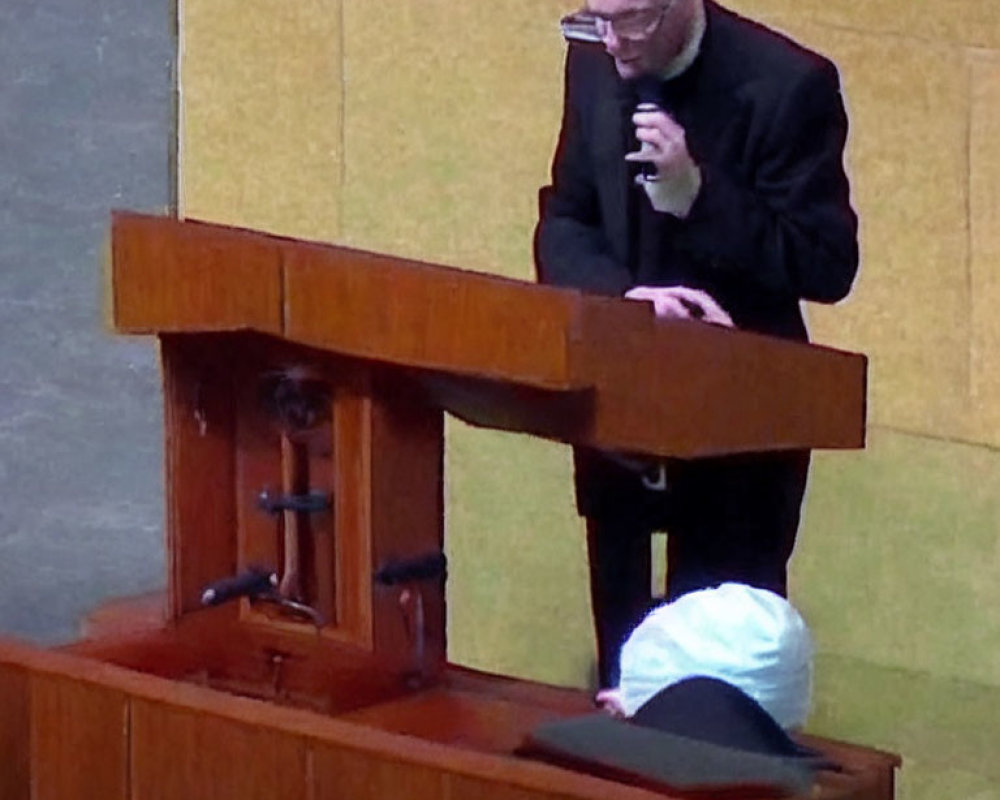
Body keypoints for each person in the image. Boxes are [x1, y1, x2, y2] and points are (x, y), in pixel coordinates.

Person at [534, 0, 858, 689]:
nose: (615, 42)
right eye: (595, 19)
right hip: (620, 416)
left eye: (633, 22)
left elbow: (828, 264)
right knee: (622, 671)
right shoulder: (594, 59)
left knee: (713, 680)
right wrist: (623, 299)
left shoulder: (786, 85)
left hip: (739, 435)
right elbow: (564, 220)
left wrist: (697, 196)